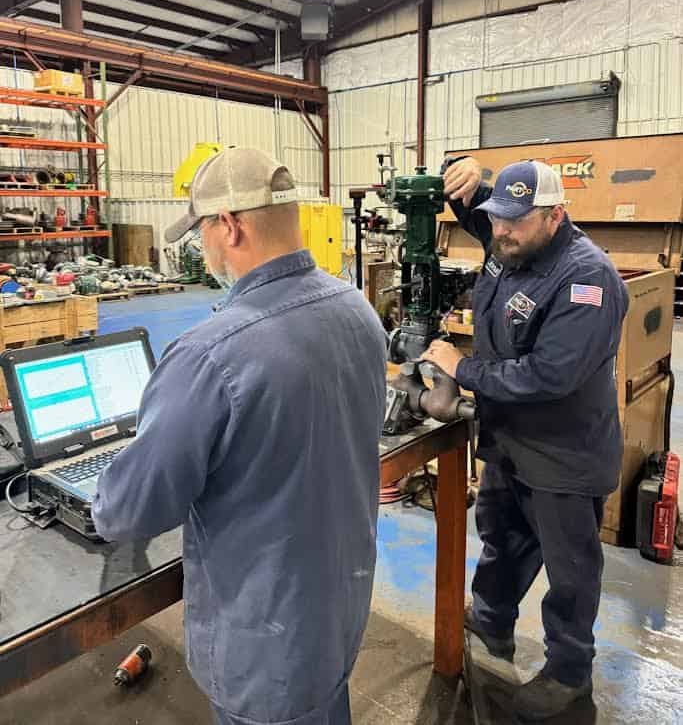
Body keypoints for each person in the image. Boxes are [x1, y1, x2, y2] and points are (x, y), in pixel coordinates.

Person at [92, 147, 387, 725]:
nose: (201, 246)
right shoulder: (358, 312)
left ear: (229, 225)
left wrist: (99, 484)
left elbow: (127, 511)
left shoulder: (209, 354)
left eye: (201, 230)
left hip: (264, 643)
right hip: (337, 610)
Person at [422, 157, 628, 721]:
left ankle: (569, 673)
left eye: (515, 221)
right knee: (503, 537)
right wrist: (460, 171)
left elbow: (549, 375)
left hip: (564, 455)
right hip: (510, 441)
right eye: (496, 218)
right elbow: (474, 200)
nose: (500, 231)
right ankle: (492, 624)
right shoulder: (511, 239)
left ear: (555, 216)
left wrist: (461, 369)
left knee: (570, 570)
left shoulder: (587, 280)